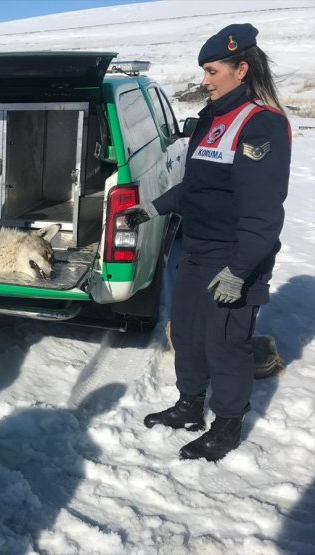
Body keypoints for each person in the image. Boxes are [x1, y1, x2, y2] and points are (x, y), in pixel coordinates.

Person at [123, 23, 291, 462]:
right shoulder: (211, 119)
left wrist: (239, 271)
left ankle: (228, 424)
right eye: (204, 71)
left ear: (242, 68)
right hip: (197, 250)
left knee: (226, 343)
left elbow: (263, 213)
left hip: (234, 255)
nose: (205, 80)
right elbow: (196, 187)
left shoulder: (261, 125)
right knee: (191, 335)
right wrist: (154, 207)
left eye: (213, 70)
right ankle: (189, 406)